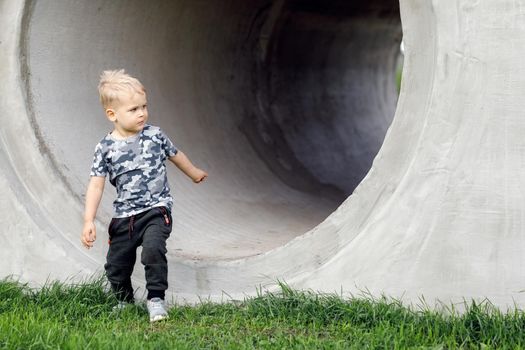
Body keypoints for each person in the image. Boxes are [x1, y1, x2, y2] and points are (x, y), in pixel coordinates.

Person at [80, 69, 208, 322]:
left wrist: (193, 173)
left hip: (156, 209)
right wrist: (88, 220)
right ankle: (124, 300)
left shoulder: (154, 135)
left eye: (144, 106)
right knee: (116, 266)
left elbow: (175, 154)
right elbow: (96, 184)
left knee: (152, 250)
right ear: (112, 114)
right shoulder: (105, 148)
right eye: (133, 109)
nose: (141, 113)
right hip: (124, 216)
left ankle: (156, 299)